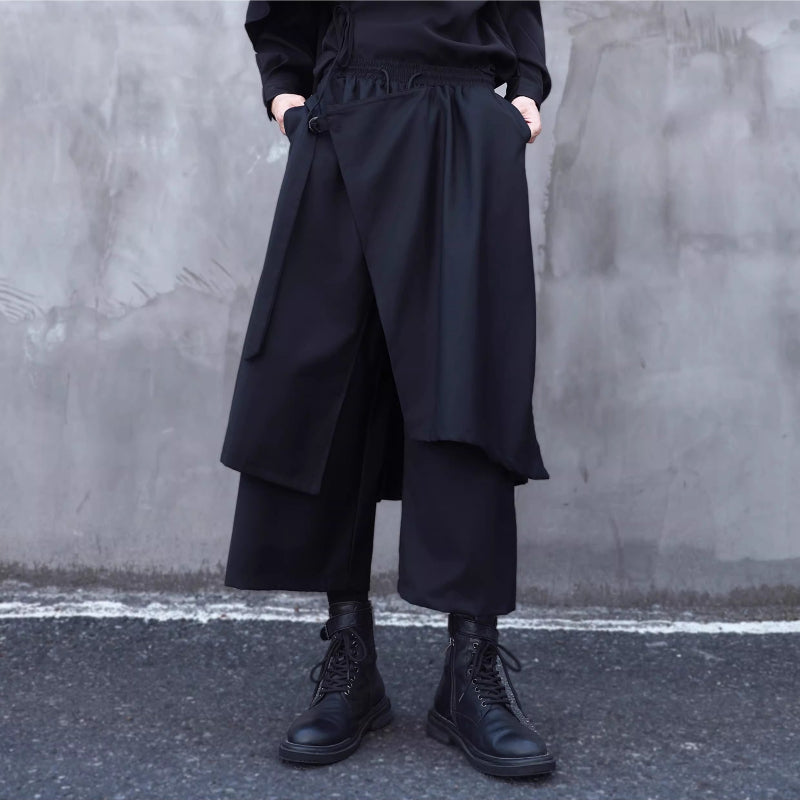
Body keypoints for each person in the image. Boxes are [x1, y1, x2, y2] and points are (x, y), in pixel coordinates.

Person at [219, 0, 556, 778]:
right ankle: (351, 663)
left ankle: (470, 670)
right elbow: (282, 16)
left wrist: (525, 94)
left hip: (464, 127)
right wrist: (286, 97)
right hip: (346, 117)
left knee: (470, 386)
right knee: (329, 384)